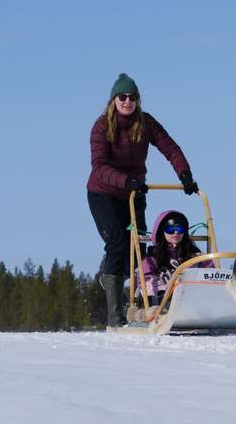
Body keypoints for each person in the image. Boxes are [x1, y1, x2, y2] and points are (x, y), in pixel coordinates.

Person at [87, 73, 200, 329]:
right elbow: (99, 166)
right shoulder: (102, 127)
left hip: (134, 193)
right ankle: (115, 317)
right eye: (122, 97)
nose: (127, 102)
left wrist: (185, 175)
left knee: (137, 246)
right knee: (117, 242)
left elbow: (170, 148)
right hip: (103, 193)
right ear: (113, 100)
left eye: (133, 97)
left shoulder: (145, 123)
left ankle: (143, 303)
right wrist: (126, 181)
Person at [131, 210, 215, 322]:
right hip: (163, 298)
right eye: (170, 230)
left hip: (190, 297)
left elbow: (210, 273)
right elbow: (146, 278)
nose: (176, 233)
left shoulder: (195, 255)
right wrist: (155, 296)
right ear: (162, 231)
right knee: (160, 297)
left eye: (180, 229)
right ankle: (151, 314)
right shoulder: (153, 257)